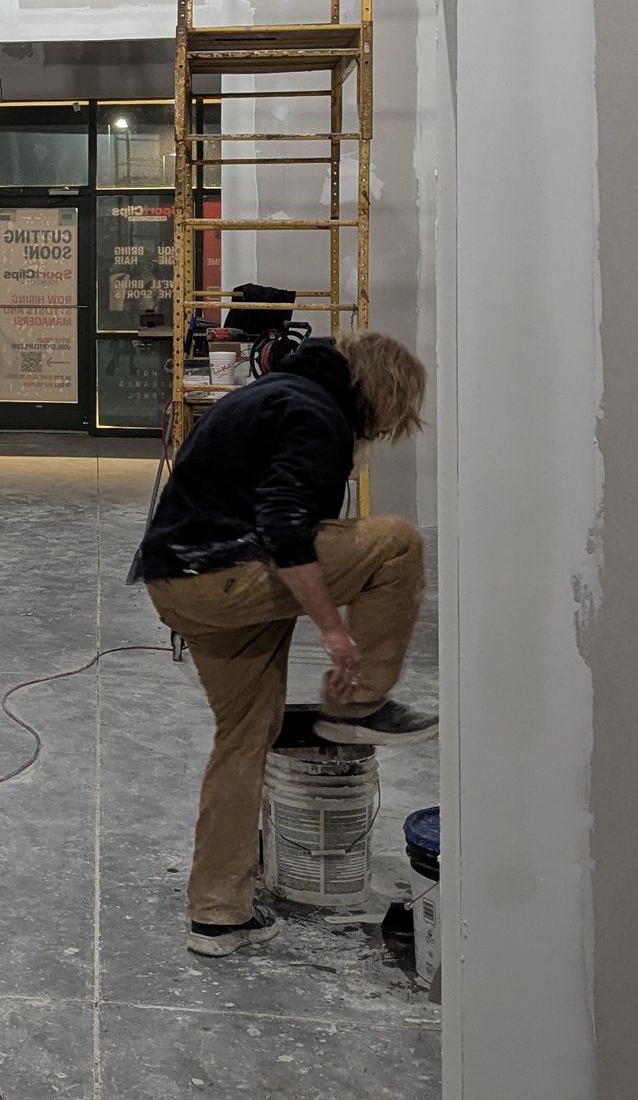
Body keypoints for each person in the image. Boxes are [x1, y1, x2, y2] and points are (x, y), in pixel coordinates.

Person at [130, 331, 436, 959]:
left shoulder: (276, 394)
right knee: (398, 540)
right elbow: (284, 524)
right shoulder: (314, 411)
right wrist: (333, 629)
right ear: (381, 392)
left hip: (180, 580)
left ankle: (218, 913)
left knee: (246, 735)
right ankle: (359, 705)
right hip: (223, 575)